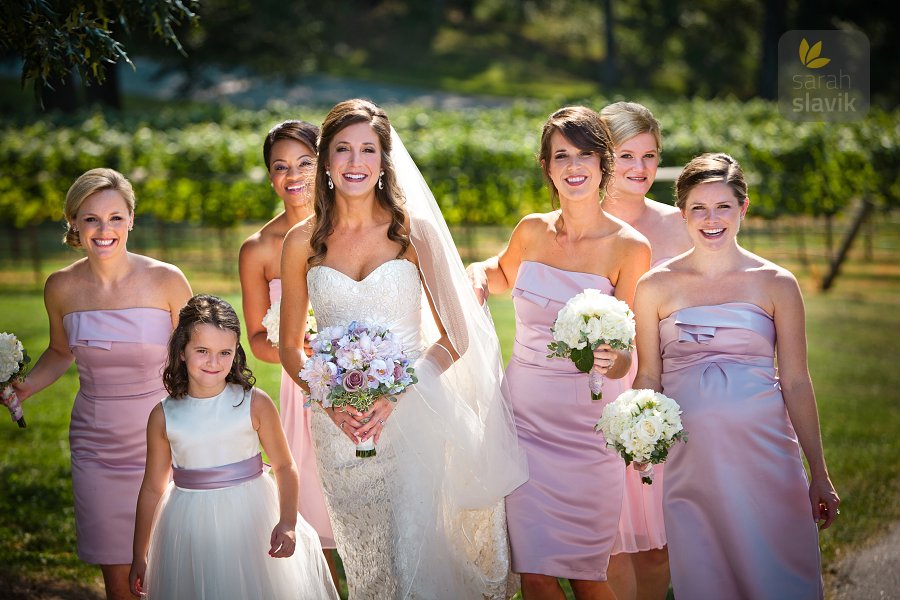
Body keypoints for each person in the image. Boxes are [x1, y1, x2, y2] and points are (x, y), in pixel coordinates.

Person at [279, 98, 528, 598]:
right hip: (339, 428)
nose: (355, 163)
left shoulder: (414, 231)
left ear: (384, 159)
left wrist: (396, 393)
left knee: (413, 556)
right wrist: (330, 404)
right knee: (369, 565)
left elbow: (455, 334)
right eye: (343, 150)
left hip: (414, 415)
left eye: (367, 150)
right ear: (325, 160)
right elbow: (289, 347)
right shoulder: (301, 242)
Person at [631, 153, 839, 599]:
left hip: (768, 458)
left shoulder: (776, 283)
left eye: (723, 206)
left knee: (779, 575)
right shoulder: (654, 286)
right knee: (707, 576)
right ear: (682, 213)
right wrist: (638, 437)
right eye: (699, 209)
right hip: (692, 462)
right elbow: (648, 376)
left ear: (743, 208)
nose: (711, 220)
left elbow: (797, 381)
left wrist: (819, 472)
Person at [468, 106, 651, 599]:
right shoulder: (531, 230)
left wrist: (619, 359)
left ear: (603, 163)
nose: (574, 166)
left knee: (587, 573)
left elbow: (631, 348)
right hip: (523, 421)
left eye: (585, 155)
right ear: (547, 166)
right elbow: (502, 276)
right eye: (561, 156)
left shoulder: (630, 248)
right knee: (535, 572)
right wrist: (477, 274)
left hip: (588, 431)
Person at [2, 168, 192, 600]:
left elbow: (200, 355)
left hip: (165, 437)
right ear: (73, 223)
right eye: (90, 218)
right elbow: (58, 351)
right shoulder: (60, 287)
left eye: (115, 217)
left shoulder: (167, 279)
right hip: (96, 443)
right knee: (121, 581)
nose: (104, 230)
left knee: (173, 563)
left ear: (130, 219)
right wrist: (27, 386)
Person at [128, 295, 338, 599]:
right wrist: (140, 554)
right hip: (189, 524)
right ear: (182, 352)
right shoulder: (164, 415)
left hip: (251, 520)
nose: (214, 362)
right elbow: (151, 487)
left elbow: (284, 466)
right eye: (202, 351)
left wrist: (289, 521)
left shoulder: (254, 403)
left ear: (235, 352)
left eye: (224, 352)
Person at [238, 120, 337, 580]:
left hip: (372, 377)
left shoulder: (353, 229)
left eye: (305, 163)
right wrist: (298, 350)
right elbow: (258, 341)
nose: (293, 176)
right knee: (319, 523)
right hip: (301, 390)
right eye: (281, 167)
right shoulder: (258, 248)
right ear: (271, 176)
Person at [600, 101, 691, 600]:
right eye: (626, 155)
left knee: (658, 538)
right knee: (611, 536)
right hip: (599, 388)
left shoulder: (680, 224)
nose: (640, 169)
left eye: (650, 156)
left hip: (667, 385)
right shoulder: (579, 224)